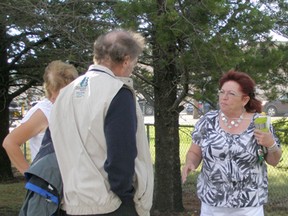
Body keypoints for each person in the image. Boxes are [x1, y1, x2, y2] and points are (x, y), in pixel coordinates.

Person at [49, 29, 154, 216]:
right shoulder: (117, 92)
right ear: (127, 59)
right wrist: (127, 197)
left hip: (72, 203)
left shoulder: (64, 94)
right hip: (110, 204)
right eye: (135, 63)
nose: (132, 69)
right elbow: (121, 155)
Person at [182, 70, 282, 216]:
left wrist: (271, 144)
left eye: (231, 94)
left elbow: (274, 161)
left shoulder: (259, 122)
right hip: (212, 204)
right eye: (222, 92)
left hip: (248, 206)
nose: (224, 97)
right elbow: (194, 152)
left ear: (245, 100)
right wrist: (190, 163)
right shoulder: (208, 121)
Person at [2, 60, 78, 175]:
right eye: (61, 90)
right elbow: (10, 143)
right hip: (49, 183)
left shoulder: (71, 107)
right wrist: (31, 176)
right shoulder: (43, 112)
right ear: (50, 89)